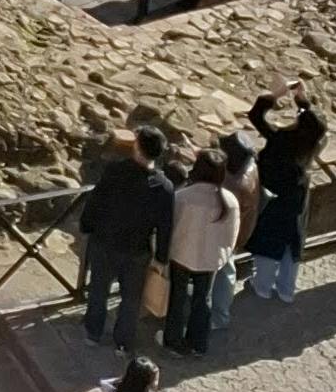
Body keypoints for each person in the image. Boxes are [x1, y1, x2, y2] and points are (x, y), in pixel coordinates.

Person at [78, 124, 176, 350]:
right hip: (137, 250)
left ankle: (93, 332)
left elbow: (96, 201)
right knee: (131, 299)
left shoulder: (116, 170)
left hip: (105, 242)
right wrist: (161, 256)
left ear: (139, 148)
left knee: (99, 289)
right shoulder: (164, 187)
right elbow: (165, 225)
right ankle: (123, 342)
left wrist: (86, 225)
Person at [247, 82, 326, 300]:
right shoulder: (315, 142)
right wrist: (302, 102)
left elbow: (255, 116)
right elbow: (313, 123)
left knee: (268, 237)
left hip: (272, 193)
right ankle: (286, 290)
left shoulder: (280, 138)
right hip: (298, 194)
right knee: (292, 239)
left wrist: (277, 94)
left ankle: (262, 286)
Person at [163, 152, 243, 355]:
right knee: (203, 300)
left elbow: (171, 227)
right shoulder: (230, 201)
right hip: (210, 260)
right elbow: (232, 236)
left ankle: (174, 341)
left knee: (177, 299)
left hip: (181, 255)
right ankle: (198, 343)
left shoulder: (183, 197)